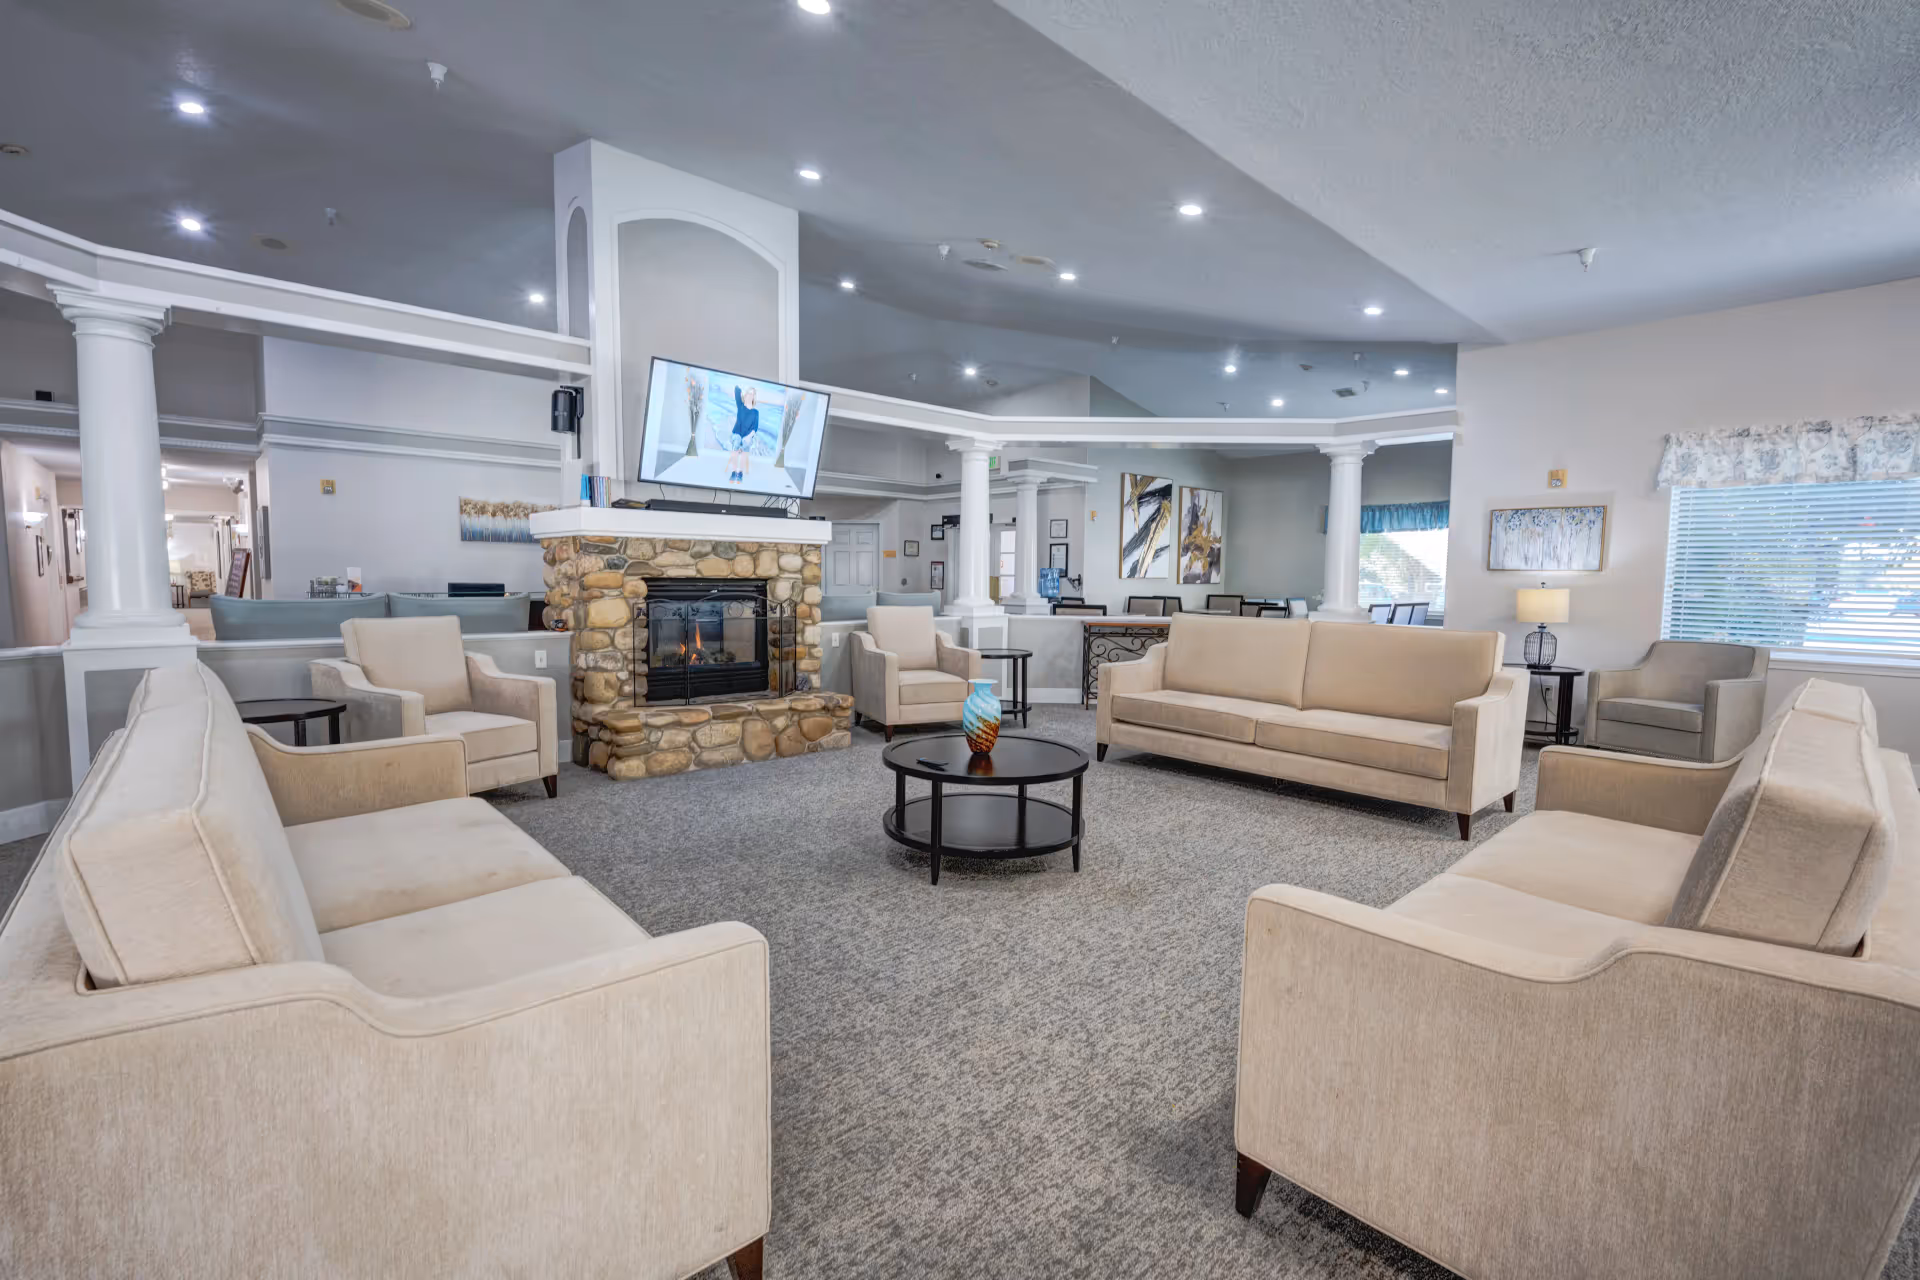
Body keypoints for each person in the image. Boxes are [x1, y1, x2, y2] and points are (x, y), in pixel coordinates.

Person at [727, 385, 759, 485]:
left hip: (747, 437)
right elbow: (736, 390)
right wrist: (745, 389)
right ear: (745, 395)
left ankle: (740, 472)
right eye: (749, 393)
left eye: (752, 394)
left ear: (754, 397)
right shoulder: (740, 405)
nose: (750, 395)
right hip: (737, 433)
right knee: (736, 442)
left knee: (746, 446)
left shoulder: (755, 412)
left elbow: (755, 428)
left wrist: (748, 437)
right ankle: (734, 471)